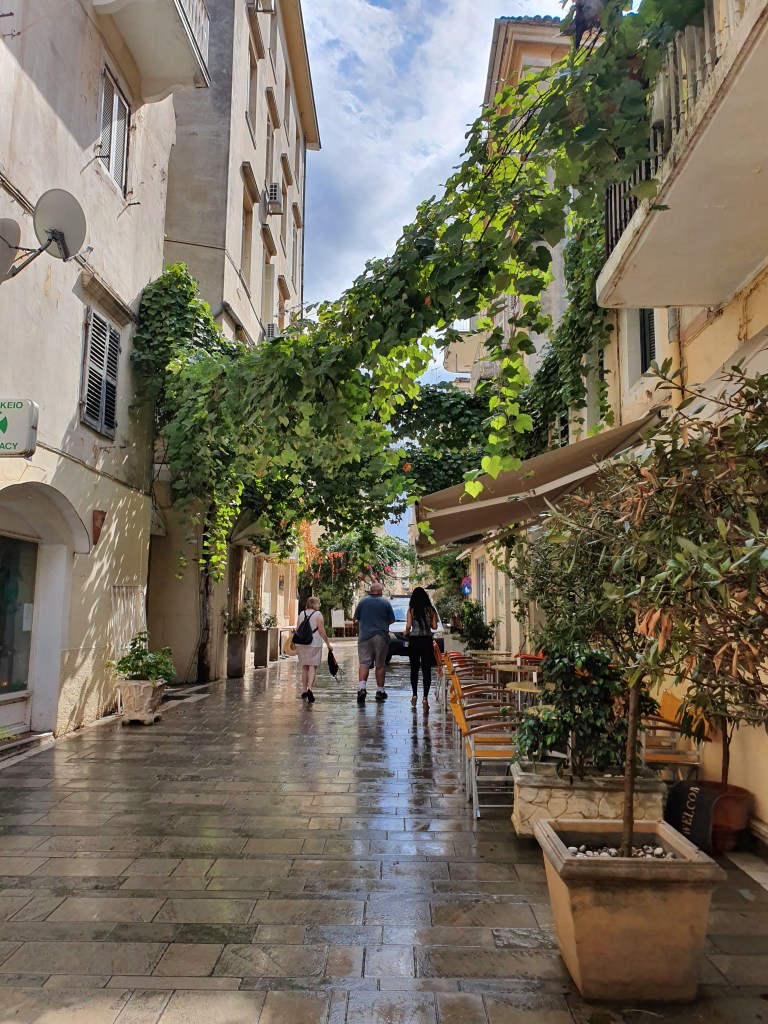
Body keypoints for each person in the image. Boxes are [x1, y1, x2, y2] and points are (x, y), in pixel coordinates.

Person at [353, 582, 395, 704]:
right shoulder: (385, 602)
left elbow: (356, 618)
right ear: (380, 591)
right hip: (381, 637)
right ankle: (380, 691)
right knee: (380, 664)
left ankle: (362, 688)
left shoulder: (362, 602)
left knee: (364, 663)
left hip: (364, 637)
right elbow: (391, 620)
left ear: (371, 591)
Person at [403, 586, 438, 708]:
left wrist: (405, 632)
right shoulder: (431, 610)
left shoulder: (411, 610)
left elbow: (408, 626)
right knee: (426, 670)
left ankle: (414, 695)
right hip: (427, 641)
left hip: (414, 641)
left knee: (414, 669)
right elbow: (434, 627)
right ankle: (425, 698)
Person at [295, 597, 333, 703]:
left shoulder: (301, 613)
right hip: (314, 642)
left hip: (301, 643)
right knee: (312, 666)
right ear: (315, 604)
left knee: (304, 666)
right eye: (318, 603)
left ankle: (303, 690)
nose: (319, 605)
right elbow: (321, 630)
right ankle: (310, 689)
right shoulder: (318, 614)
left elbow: (297, 629)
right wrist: (328, 643)